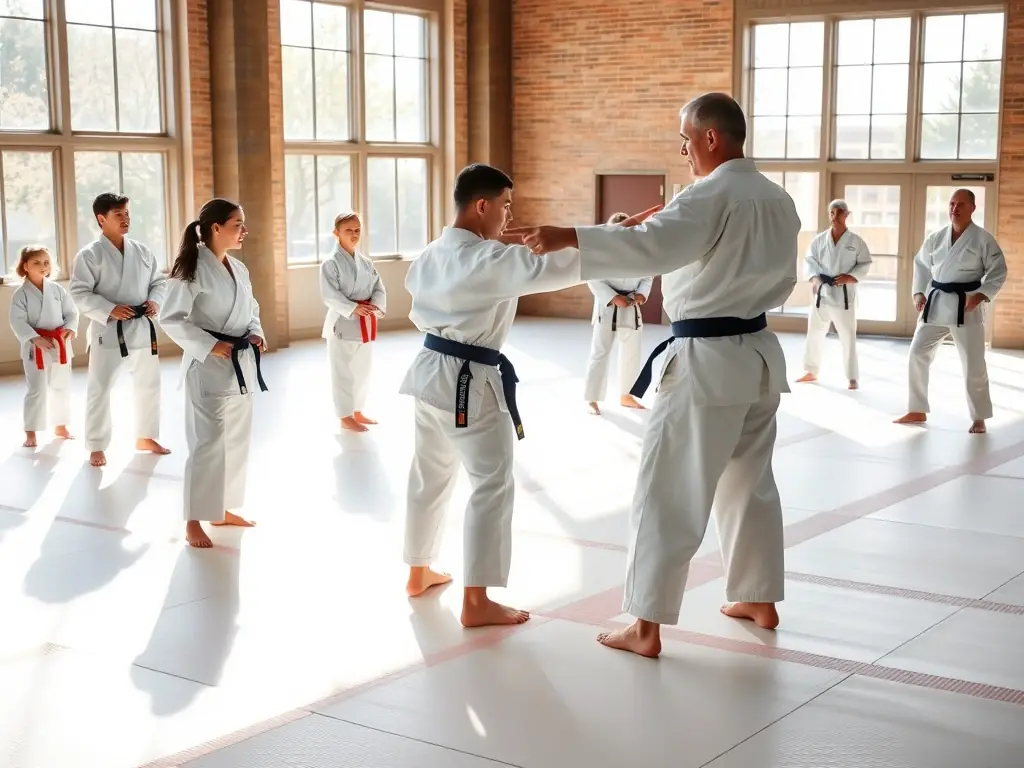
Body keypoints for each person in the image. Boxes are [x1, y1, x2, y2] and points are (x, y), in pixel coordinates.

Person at [507, 93, 799, 658]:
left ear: (712, 138)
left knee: (668, 492)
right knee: (750, 483)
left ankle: (645, 626)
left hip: (706, 362)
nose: (683, 150)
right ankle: (759, 598)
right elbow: (678, 241)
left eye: (686, 139)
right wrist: (658, 225)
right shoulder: (778, 198)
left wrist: (571, 234)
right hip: (759, 356)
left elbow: (651, 248)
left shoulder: (709, 194)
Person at [400, 163, 588, 628]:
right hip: (469, 380)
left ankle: (418, 571)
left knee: (430, 473)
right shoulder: (488, 261)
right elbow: (554, 267)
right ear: (481, 206)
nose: (508, 217)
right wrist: (608, 239)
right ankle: (476, 600)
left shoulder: (431, 254)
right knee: (491, 483)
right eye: (505, 206)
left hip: (428, 373)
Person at [159, 199, 268, 549]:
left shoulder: (238, 268)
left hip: (240, 364)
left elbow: (252, 308)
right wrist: (208, 345)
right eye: (238, 224)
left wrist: (256, 331)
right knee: (207, 445)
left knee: (236, 441)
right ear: (216, 228)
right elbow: (171, 318)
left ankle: (221, 508)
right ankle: (193, 519)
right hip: (208, 366)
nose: (244, 230)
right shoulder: (190, 269)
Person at [69, 193, 170, 467]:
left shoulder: (141, 250)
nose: (126, 219)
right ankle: (97, 445)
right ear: (101, 219)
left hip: (141, 326)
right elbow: (78, 293)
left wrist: (154, 301)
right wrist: (109, 309)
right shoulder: (89, 255)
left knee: (150, 385)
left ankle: (146, 436)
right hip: (109, 330)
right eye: (118, 214)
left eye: (127, 213)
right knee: (100, 388)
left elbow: (158, 282)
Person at [894, 189, 1006, 434]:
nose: (954, 209)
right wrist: (918, 292)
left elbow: (998, 269)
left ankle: (979, 417)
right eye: (952, 203)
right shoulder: (936, 237)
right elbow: (921, 263)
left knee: (973, 363)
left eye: (961, 204)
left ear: (972, 208)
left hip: (966, 305)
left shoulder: (982, 239)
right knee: (917, 353)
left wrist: (982, 294)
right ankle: (917, 407)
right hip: (936, 303)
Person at [319, 212, 386, 433]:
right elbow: (330, 295)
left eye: (358, 230)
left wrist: (373, 306)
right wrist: (354, 308)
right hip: (343, 322)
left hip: (365, 321)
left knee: (362, 370)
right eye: (349, 230)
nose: (355, 234)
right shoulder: (330, 264)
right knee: (342, 372)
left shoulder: (366, 262)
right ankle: (344, 415)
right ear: (336, 233)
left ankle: (357, 410)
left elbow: (378, 287)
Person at [796, 199, 872, 390]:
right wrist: (814, 278)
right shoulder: (820, 240)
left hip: (844, 296)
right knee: (814, 331)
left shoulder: (856, 241)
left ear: (846, 215)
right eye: (832, 212)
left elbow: (865, 263)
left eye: (839, 213)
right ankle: (811, 370)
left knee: (848, 336)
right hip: (822, 294)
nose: (834, 216)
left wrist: (850, 277)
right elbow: (809, 260)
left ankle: (852, 377)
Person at [8, 246, 79, 448]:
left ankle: (60, 425)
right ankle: (31, 431)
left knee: (62, 386)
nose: (43, 266)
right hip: (35, 347)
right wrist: (34, 338)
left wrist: (70, 328)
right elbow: (17, 321)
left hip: (59, 344)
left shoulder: (57, 289)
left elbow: (72, 313)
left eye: (46, 262)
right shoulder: (21, 294)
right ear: (25, 266)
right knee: (37, 389)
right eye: (37, 262)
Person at [583, 212, 654, 415]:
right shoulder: (600, 252)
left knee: (632, 353)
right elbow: (592, 277)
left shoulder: (641, 251)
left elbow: (648, 276)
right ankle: (592, 398)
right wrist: (614, 298)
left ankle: (627, 395)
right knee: (600, 353)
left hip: (632, 306)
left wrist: (641, 295)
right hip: (607, 307)